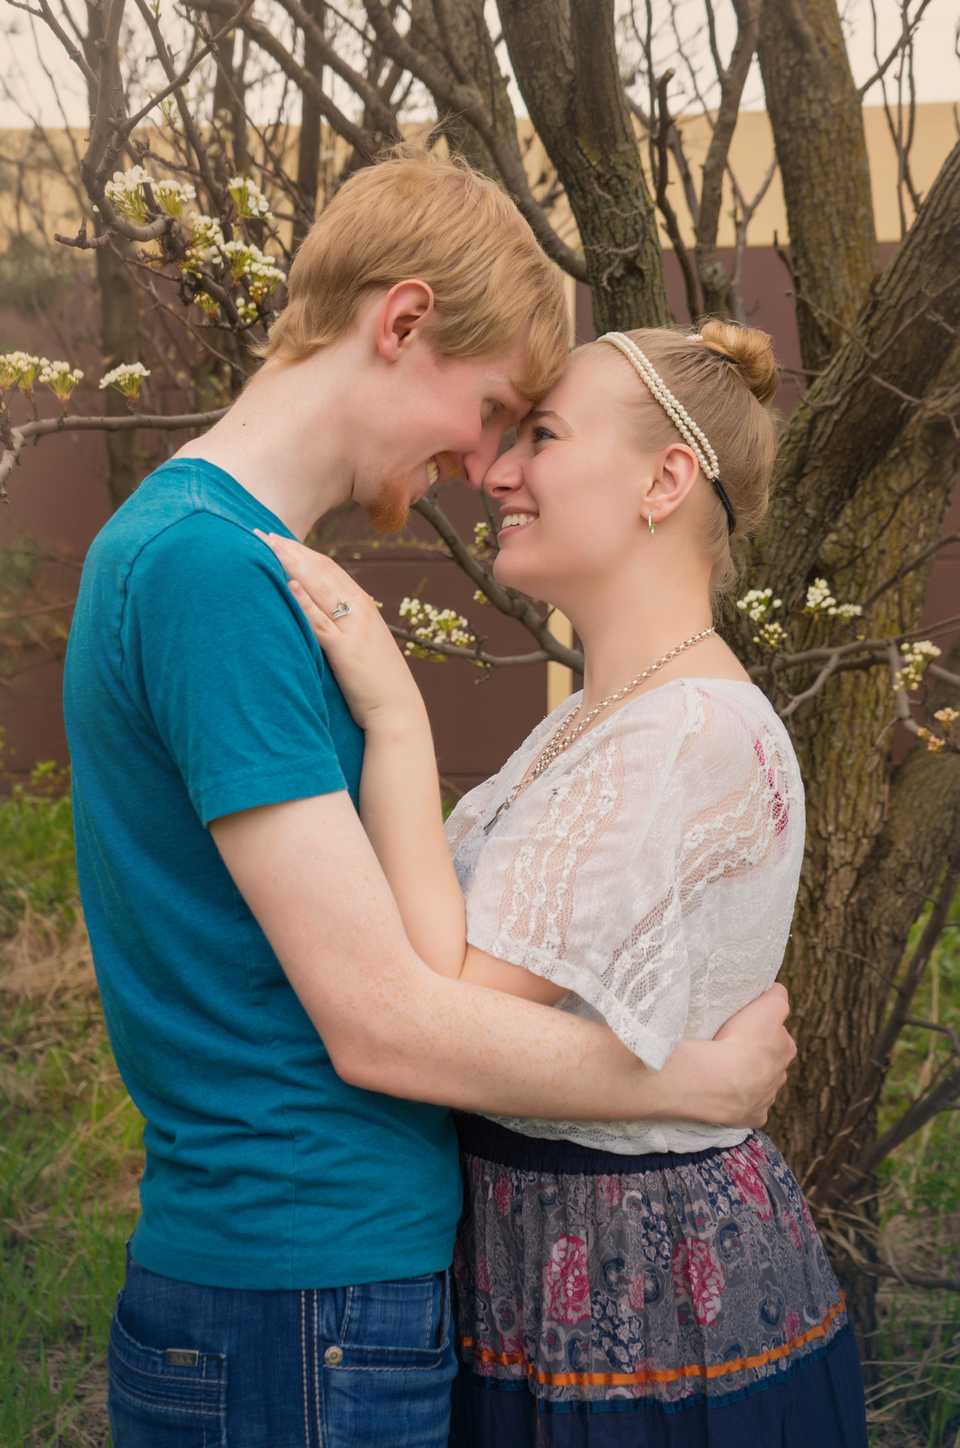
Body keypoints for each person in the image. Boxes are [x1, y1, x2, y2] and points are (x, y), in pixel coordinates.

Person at [64, 147, 796, 1448]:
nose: (485, 459)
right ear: (402, 324)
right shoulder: (210, 576)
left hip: (318, 1285)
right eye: (496, 407)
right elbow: (385, 1025)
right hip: (301, 1287)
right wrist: (699, 1081)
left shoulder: (217, 561)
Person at [260, 318, 868, 1446]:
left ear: (666, 477)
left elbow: (449, 995)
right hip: (539, 1263)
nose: (496, 471)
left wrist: (395, 716)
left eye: (541, 434)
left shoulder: (683, 729)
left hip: (644, 1306)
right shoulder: (599, 721)